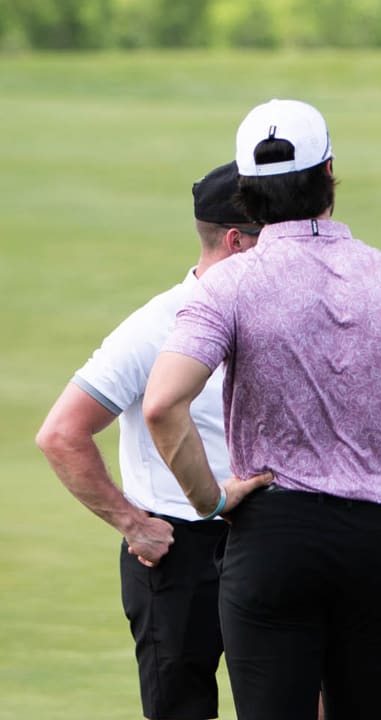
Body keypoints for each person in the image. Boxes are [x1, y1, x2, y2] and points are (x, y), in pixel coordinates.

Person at [141, 98, 381, 720]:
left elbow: (162, 404)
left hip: (272, 543)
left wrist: (212, 500)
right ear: (330, 171)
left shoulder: (229, 285)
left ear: (247, 193)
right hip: (376, 544)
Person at [35, 161, 260, 720]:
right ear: (235, 241)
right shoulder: (155, 327)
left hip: (263, 535)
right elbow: (62, 433)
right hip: (176, 551)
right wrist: (133, 524)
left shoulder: (272, 317)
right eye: (270, 237)